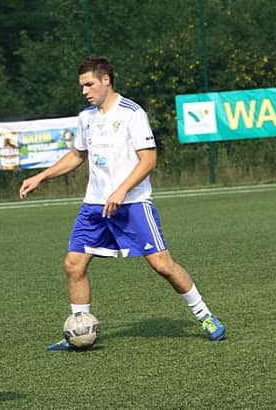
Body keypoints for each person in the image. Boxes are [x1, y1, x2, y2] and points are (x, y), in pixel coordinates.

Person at [19, 55, 226, 351]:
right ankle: (79, 328)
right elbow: (77, 155)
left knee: (162, 265)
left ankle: (205, 316)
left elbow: (149, 160)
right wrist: (41, 177)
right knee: (74, 264)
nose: (84, 91)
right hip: (95, 205)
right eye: (82, 86)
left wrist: (121, 191)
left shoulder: (132, 113)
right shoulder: (86, 118)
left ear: (106, 80)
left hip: (133, 204)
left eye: (89, 84)